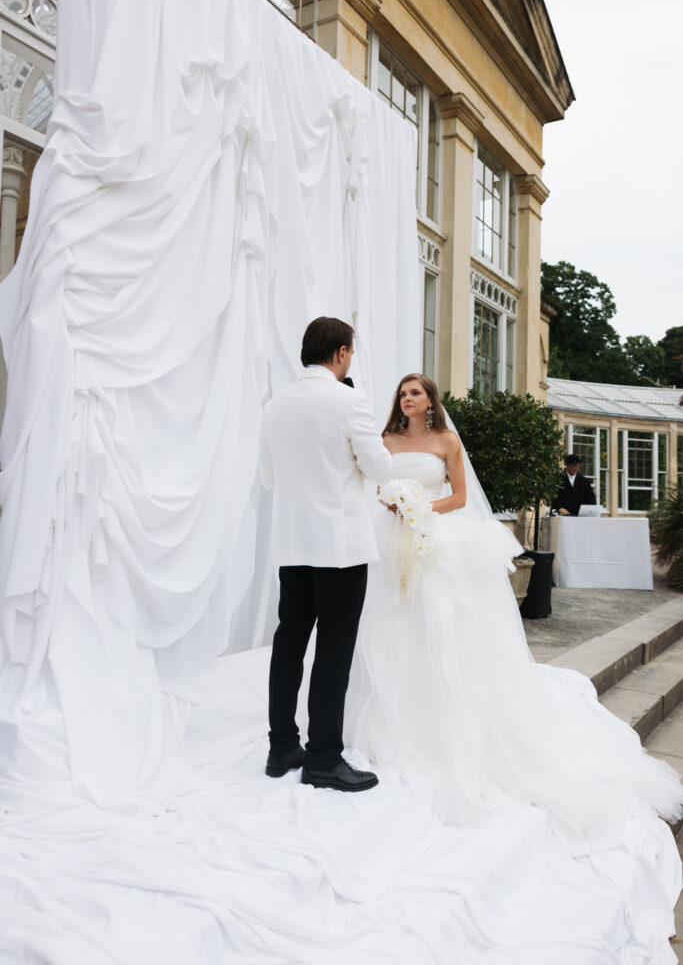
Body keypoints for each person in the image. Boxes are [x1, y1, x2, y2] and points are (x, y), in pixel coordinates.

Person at [346, 373, 683, 831]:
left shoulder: (447, 440)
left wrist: (419, 509)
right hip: (389, 540)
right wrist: (392, 504)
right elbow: (377, 483)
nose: (406, 399)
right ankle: (389, 718)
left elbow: (461, 497)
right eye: (402, 393)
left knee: (442, 620)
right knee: (388, 618)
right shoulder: (385, 439)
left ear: (430, 400)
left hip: (433, 535)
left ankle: (445, 722)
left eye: (415, 392)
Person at [259, 316, 393, 792]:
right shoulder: (349, 400)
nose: (350, 360)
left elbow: (269, 479)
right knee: (334, 651)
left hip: (292, 545)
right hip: (339, 547)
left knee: (289, 643)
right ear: (340, 353)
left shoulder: (275, 405)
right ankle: (323, 759)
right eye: (350, 353)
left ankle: (281, 748)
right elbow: (378, 466)